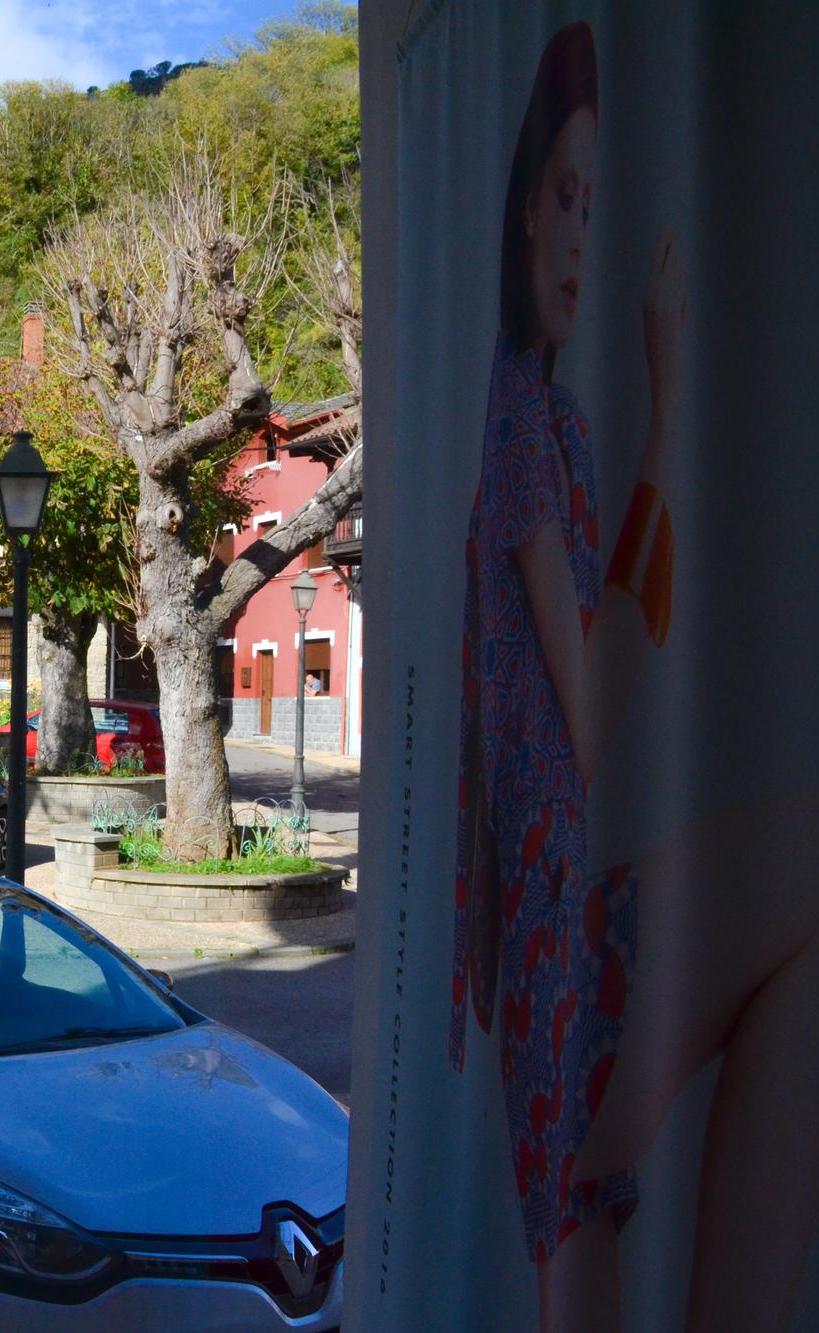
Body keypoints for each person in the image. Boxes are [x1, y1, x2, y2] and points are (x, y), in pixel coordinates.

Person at [450, 22, 819, 1331]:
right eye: (565, 195)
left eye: (597, 205)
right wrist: (669, 420)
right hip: (564, 968)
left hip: (552, 983)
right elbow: (593, 714)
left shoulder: (543, 416)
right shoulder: (521, 425)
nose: (582, 234)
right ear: (518, 213)